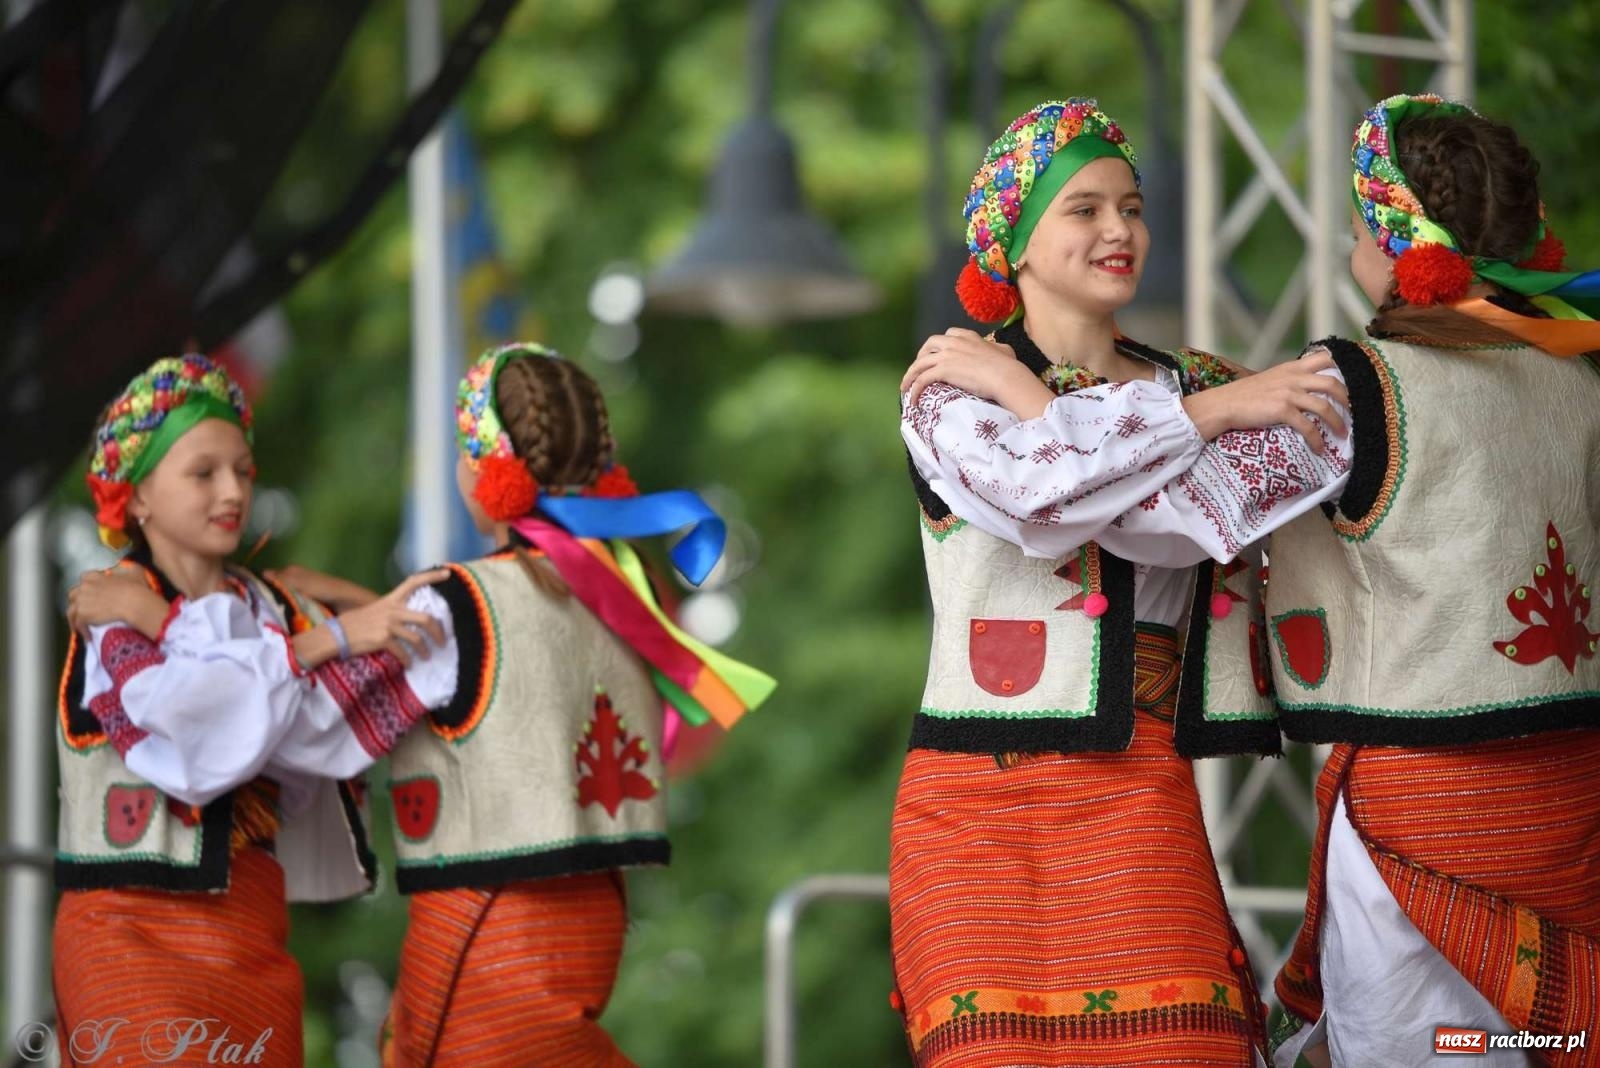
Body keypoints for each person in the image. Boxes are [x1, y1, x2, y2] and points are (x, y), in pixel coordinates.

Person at [892, 97, 1352, 1067]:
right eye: (1086, 209)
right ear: (1015, 245)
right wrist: (1206, 414)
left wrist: (1036, 400)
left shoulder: (1194, 380)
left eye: (1132, 208)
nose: (1120, 230)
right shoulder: (951, 386)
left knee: (1185, 1045)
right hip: (970, 806)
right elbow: (1038, 498)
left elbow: (1179, 525)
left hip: (1139, 788)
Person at [1262, 93, 1600, 1068]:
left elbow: (1188, 502)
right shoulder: (1576, 379)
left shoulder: (1355, 381)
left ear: (1392, 237)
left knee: (1423, 1051)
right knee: (1537, 1043)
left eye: (1357, 225)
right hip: (1569, 792)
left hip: (1427, 798)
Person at [375, 343, 775, 1066]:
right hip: (595, 910)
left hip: (489, 910)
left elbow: (343, 719)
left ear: (481, 468)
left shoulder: (455, 602)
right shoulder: (627, 592)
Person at [55, 353, 452, 1067]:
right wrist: (327, 639)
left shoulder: (266, 608)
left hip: (251, 929)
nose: (233, 490)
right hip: (130, 931)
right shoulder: (114, 603)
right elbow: (199, 726)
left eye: (242, 469)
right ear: (137, 496)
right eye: (203, 473)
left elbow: (338, 703)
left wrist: (341, 605)